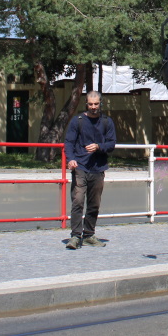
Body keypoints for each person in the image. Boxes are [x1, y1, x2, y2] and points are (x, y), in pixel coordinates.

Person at [64, 91, 117, 250]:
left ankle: (89, 235)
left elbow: (112, 144)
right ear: (86, 104)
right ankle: (75, 236)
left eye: (96, 104)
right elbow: (69, 142)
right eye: (90, 104)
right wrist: (71, 159)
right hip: (80, 166)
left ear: (101, 104)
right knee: (78, 201)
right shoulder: (77, 121)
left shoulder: (107, 122)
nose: (93, 107)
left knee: (94, 204)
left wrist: (99, 146)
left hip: (98, 168)